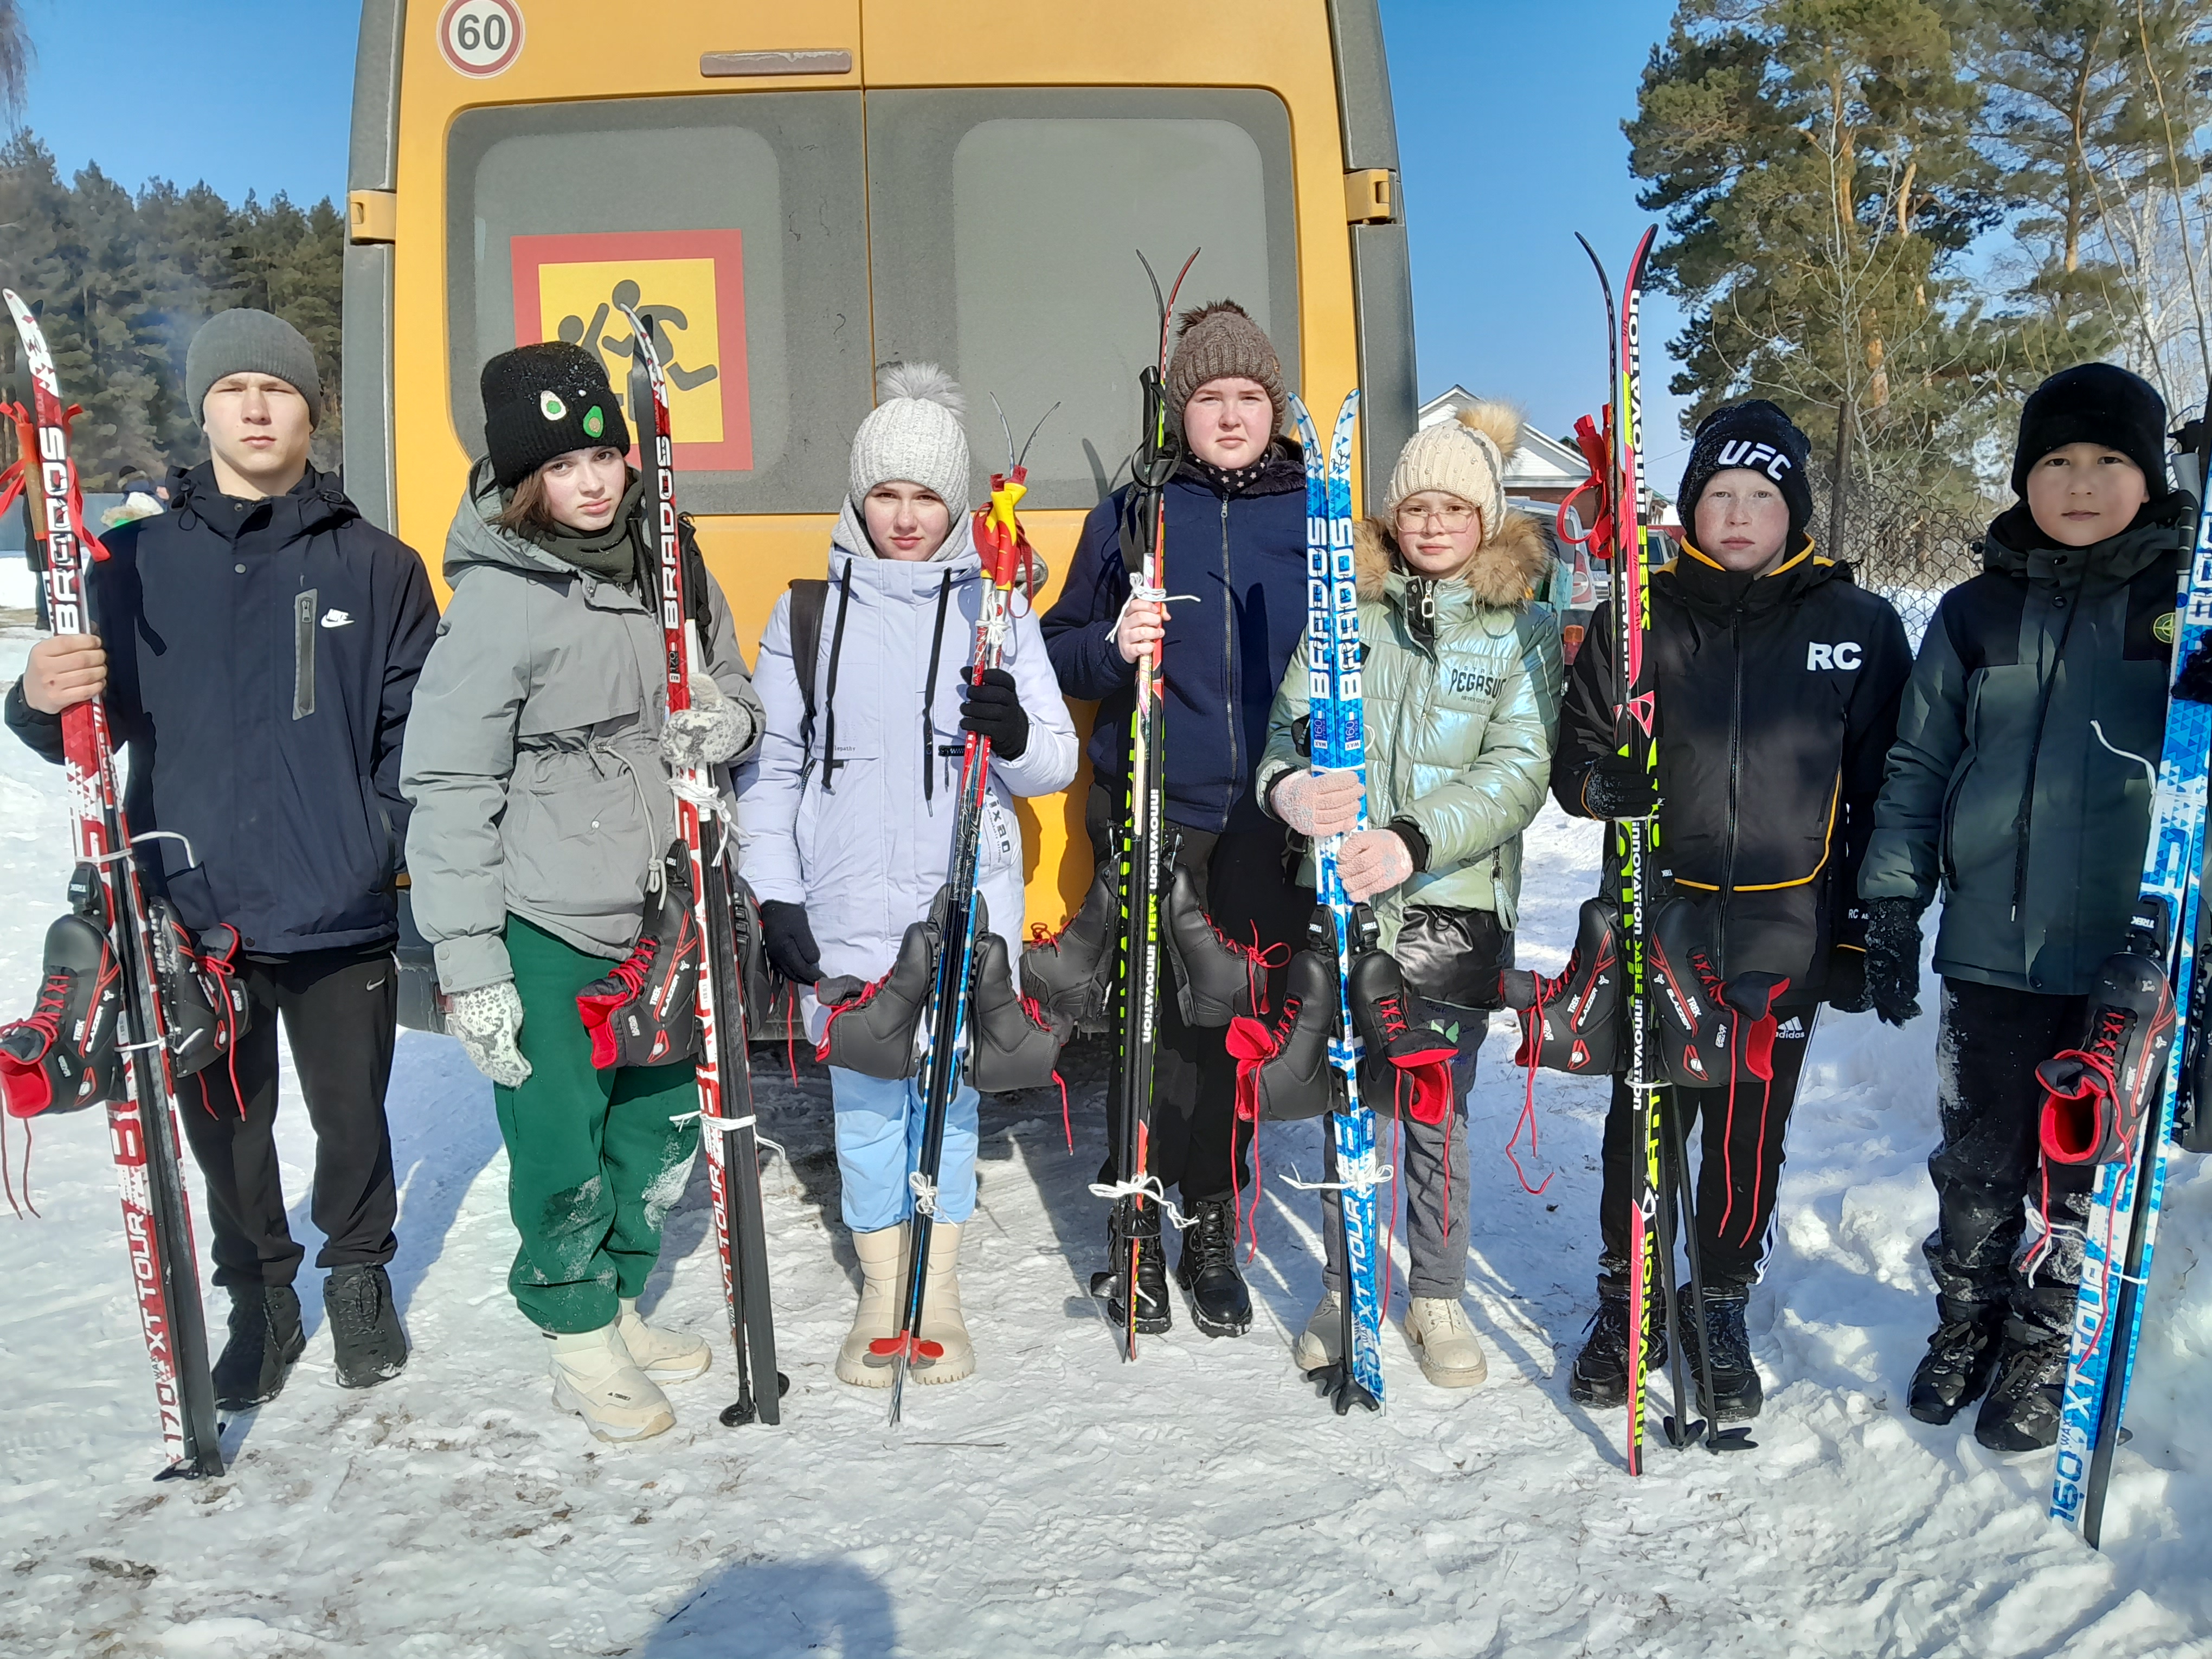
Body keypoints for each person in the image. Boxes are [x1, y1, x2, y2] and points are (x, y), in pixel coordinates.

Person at [4, 307, 439, 1409]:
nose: (256, 407)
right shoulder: (136, 564)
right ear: (204, 411)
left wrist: (372, 840)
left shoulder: (378, 566)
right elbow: (89, 730)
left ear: (310, 410)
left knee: (352, 1118)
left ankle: (355, 1279)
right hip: (194, 917)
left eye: (279, 389)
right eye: (233, 390)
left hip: (339, 911)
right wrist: (37, 698)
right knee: (227, 1129)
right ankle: (263, 1296)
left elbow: (414, 741)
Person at [400, 341, 764, 1443]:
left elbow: (736, 686)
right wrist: (470, 967)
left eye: (607, 453)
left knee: (658, 1124)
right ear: (526, 483)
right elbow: (451, 786)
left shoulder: (672, 563)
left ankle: (617, 1299)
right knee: (560, 1135)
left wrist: (725, 721)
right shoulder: (500, 600)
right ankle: (575, 1333)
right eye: (565, 465)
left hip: (665, 904)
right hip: (546, 917)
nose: (595, 481)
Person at [1553, 400, 1911, 1423]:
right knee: (1647, 1117)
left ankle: (1716, 1296)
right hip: (1660, 913)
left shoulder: (1860, 626)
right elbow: (1573, 757)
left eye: (1763, 496)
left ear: (1794, 510)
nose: (1741, 513)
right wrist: (1598, 788)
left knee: (1751, 1127)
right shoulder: (1639, 618)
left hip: (1783, 922)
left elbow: (1892, 786)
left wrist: (1864, 924)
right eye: (1722, 495)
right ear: (1694, 508)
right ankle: (1629, 1298)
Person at [1859, 363, 2193, 1451]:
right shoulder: (1974, 612)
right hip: (1991, 946)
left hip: (2128, 954)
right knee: (1978, 1161)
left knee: (2082, 1168)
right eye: (2058, 462)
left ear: (2150, 477)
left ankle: (2044, 1347)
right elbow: (1917, 764)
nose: (2083, 484)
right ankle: (1966, 1323)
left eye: (2109, 462)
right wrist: (1895, 907)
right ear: (2024, 479)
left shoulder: (2184, 608)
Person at [742, 364, 1078, 1389]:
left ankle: (939, 1290)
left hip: (962, 899)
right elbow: (772, 773)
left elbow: (1055, 760)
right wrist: (776, 892)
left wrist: (1013, 729)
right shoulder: (804, 617)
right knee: (863, 1099)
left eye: (926, 495)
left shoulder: (997, 611)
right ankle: (883, 1293)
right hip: (845, 902)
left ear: (958, 503)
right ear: (857, 496)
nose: (904, 516)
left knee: (947, 1091)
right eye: (885, 493)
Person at [1253, 403, 1562, 1387]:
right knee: (1348, 1093)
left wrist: (1414, 838)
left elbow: (1521, 769)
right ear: (1391, 517)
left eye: (1453, 509)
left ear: (1487, 519)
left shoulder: (1524, 627)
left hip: (1451, 906)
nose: (1432, 525)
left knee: (1434, 1110)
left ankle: (1435, 1296)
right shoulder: (1348, 612)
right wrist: (1289, 791)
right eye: (1415, 507)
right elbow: (1288, 733)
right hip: (1341, 899)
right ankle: (1346, 1287)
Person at [1040, 300, 1317, 1338]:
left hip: (1271, 819)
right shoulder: (1136, 510)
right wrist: (1113, 642)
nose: (1232, 414)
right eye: (1211, 397)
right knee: (1152, 1032)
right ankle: (1137, 1224)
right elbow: (1059, 650)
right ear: (1181, 412)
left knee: (1231, 1035)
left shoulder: (1317, 511)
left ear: (1275, 407)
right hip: (1160, 806)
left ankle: (1210, 1219)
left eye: (1250, 396)